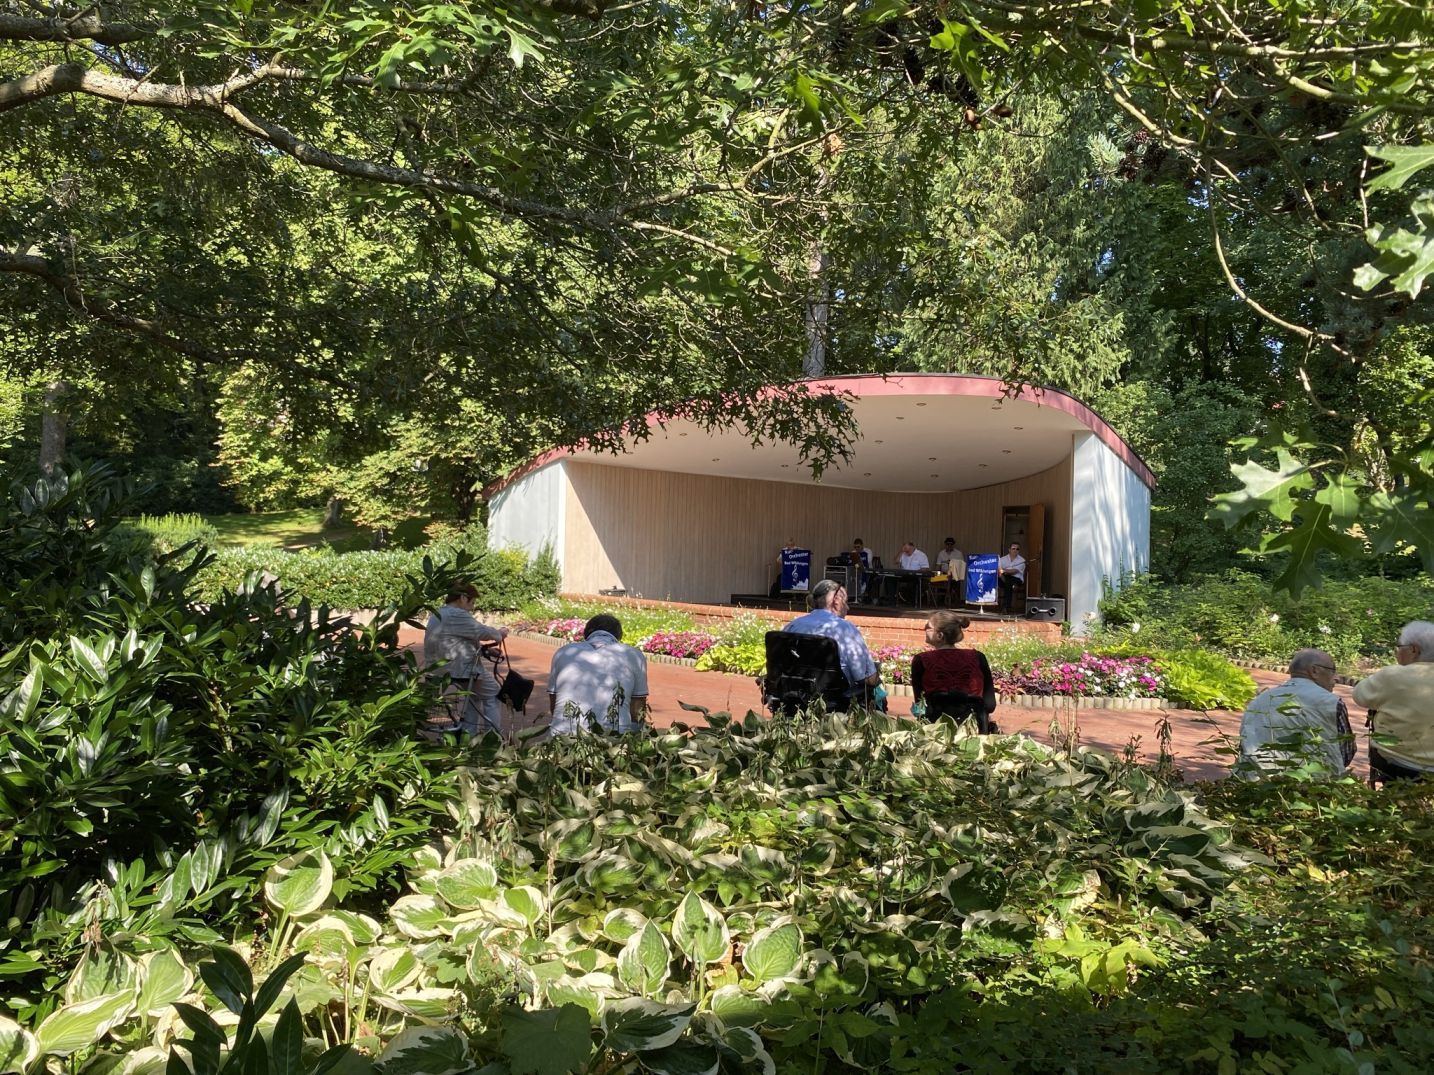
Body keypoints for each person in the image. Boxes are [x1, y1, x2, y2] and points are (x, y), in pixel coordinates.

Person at [1236, 648, 1353, 778]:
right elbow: (1346, 752)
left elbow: (1244, 744)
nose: (1337, 677)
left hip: (1256, 782)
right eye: (1333, 670)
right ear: (1314, 671)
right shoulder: (1332, 702)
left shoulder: (1259, 700)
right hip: (1315, 784)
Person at [423, 582, 509, 736]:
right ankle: (492, 737)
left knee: (473, 696)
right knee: (494, 694)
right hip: (459, 670)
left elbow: (457, 639)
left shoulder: (439, 613)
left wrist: (486, 650)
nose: (472, 607)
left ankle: (469, 735)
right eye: (472, 602)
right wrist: (500, 633)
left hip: (438, 669)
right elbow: (483, 632)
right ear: (463, 598)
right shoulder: (456, 614)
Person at [1353, 620, 1434, 782]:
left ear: (1414, 649)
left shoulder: (1392, 675)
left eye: (1399, 647)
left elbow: (1359, 695)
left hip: (1397, 763)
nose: (1397, 652)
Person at [548, 614, 650, 735]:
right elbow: (637, 710)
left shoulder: (564, 652)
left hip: (563, 733)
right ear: (619, 636)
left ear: (586, 634)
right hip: (614, 736)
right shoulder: (634, 655)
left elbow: (554, 703)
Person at [784, 578, 881, 706]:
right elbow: (868, 679)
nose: (848, 607)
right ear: (836, 602)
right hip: (834, 703)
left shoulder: (792, 626)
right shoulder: (846, 629)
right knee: (877, 690)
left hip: (795, 700)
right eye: (846, 602)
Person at [910, 612, 997, 732]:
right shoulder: (978, 657)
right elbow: (990, 705)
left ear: (940, 635)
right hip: (973, 730)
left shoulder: (921, 660)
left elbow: (920, 706)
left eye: (928, 627)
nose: (924, 629)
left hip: (935, 731)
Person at [997, 542, 1026, 614]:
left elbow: (1014, 571)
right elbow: (998, 570)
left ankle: (1005, 607)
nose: (1015, 550)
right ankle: (1005, 607)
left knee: (1009, 582)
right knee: (999, 581)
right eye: (1013, 548)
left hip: (1016, 579)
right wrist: (1003, 575)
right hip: (1003, 578)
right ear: (1009, 549)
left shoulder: (1022, 560)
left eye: (1017, 549)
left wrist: (1004, 570)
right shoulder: (1002, 559)